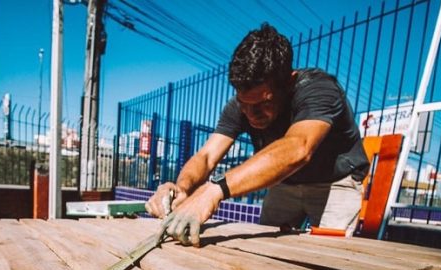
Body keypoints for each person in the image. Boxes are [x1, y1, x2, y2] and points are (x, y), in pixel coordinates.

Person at [145, 23, 370, 246]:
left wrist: (215, 190)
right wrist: (182, 188)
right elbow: (206, 156)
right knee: (263, 248)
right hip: (286, 185)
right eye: (244, 103)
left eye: (264, 103)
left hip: (335, 182)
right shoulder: (240, 105)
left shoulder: (318, 89)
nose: (251, 114)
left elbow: (298, 147)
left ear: (289, 82)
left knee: (329, 260)